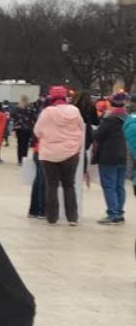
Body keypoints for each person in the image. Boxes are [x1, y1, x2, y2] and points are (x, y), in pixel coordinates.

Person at [33, 86, 85, 226]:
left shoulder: (47, 112)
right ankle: (72, 217)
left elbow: (37, 132)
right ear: (65, 96)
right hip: (71, 152)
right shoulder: (74, 111)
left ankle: (52, 218)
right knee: (69, 185)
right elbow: (81, 128)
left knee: (51, 185)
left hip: (49, 153)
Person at [90, 94, 128, 224]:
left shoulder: (109, 120)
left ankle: (113, 214)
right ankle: (119, 212)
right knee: (119, 186)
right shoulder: (128, 118)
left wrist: (92, 131)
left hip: (108, 156)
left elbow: (98, 136)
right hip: (123, 156)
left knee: (109, 186)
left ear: (111, 104)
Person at [9, 95, 37, 164]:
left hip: (19, 128)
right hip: (28, 128)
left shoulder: (17, 107)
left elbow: (13, 116)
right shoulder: (31, 107)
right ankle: (24, 158)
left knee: (19, 143)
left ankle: (19, 159)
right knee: (26, 144)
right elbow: (34, 118)